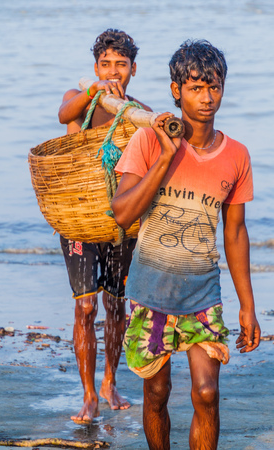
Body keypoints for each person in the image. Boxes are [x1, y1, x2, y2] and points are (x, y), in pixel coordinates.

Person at [111, 39, 261, 450]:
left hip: (202, 295)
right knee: (156, 394)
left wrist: (247, 305)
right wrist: (164, 157)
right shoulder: (147, 142)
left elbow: (234, 233)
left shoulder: (237, 156)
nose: (207, 98)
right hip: (150, 292)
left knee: (207, 394)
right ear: (176, 91)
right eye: (196, 88)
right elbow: (122, 213)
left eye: (214, 87)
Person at [58, 29, 151, 424]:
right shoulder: (79, 100)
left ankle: (110, 381)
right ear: (95, 67)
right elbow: (64, 115)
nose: (114, 71)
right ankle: (89, 394)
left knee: (115, 305)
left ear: (133, 69)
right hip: (79, 217)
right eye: (106, 64)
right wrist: (95, 89)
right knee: (85, 307)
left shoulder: (138, 111)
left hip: (120, 222)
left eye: (121, 65)